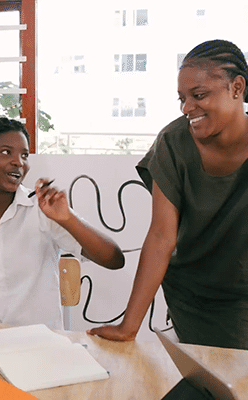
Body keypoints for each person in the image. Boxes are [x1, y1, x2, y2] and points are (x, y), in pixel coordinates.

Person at [88, 39, 248, 350]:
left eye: (199, 95)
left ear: (237, 88)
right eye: (182, 98)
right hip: (192, 297)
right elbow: (162, 236)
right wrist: (128, 327)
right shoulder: (173, 143)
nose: (188, 108)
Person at [0, 117, 125, 342]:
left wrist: (67, 218)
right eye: (6, 152)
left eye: (24, 155)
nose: (18, 162)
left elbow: (113, 259)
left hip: (41, 340)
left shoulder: (43, 209)